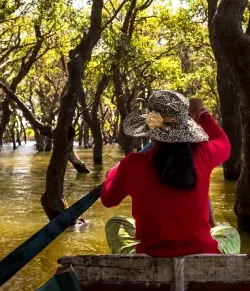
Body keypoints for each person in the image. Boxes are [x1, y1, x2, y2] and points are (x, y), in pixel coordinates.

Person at [101, 90, 240, 256]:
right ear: (186, 126)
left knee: (115, 223)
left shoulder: (132, 164)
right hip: (203, 255)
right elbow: (224, 143)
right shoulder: (203, 153)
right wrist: (201, 114)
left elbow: (108, 199)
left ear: (150, 128)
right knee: (230, 232)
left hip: (150, 259)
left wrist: (113, 172)